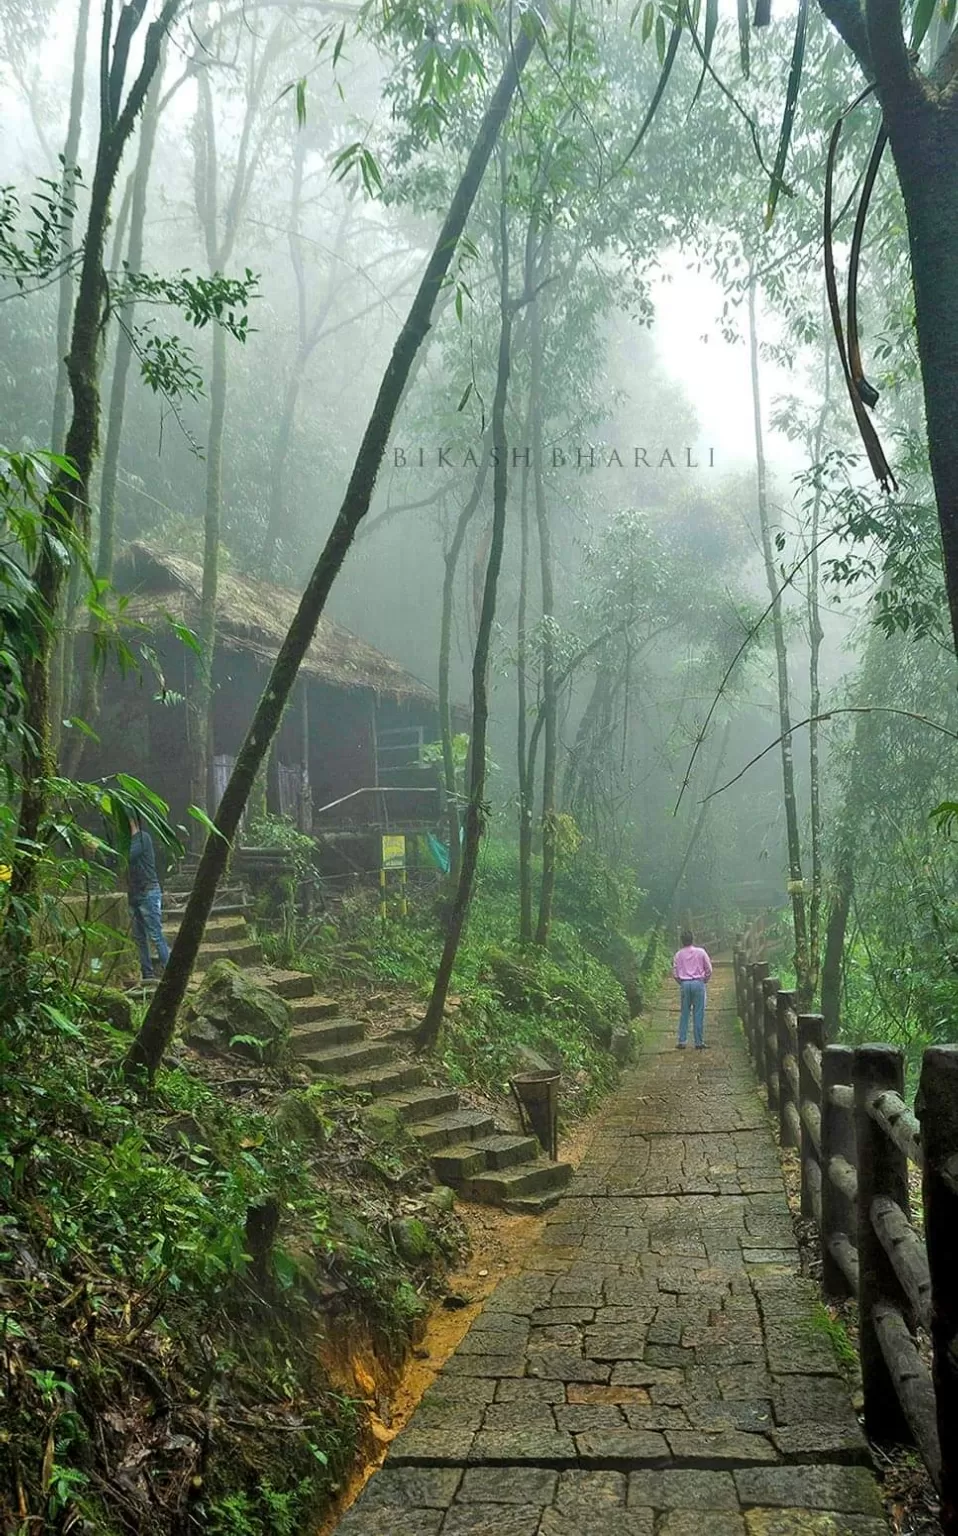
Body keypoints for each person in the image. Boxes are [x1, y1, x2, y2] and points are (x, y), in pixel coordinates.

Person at [126, 814, 170, 984]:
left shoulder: (143, 838)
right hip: (135, 894)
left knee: (156, 935)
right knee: (140, 938)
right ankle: (148, 975)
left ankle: (170, 971)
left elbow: (128, 856)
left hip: (148, 893)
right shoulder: (129, 842)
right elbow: (113, 860)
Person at [672, 928, 713, 1050]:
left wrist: (681, 982)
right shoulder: (701, 952)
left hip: (685, 984)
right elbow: (709, 969)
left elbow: (674, 972)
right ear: (692, 939)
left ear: (682, 941)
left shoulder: (678, 954)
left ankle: (682, 1040)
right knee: (698, 1012)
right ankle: (699, 1042)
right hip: (698, 983)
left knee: (684, 1012)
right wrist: (705, 979)